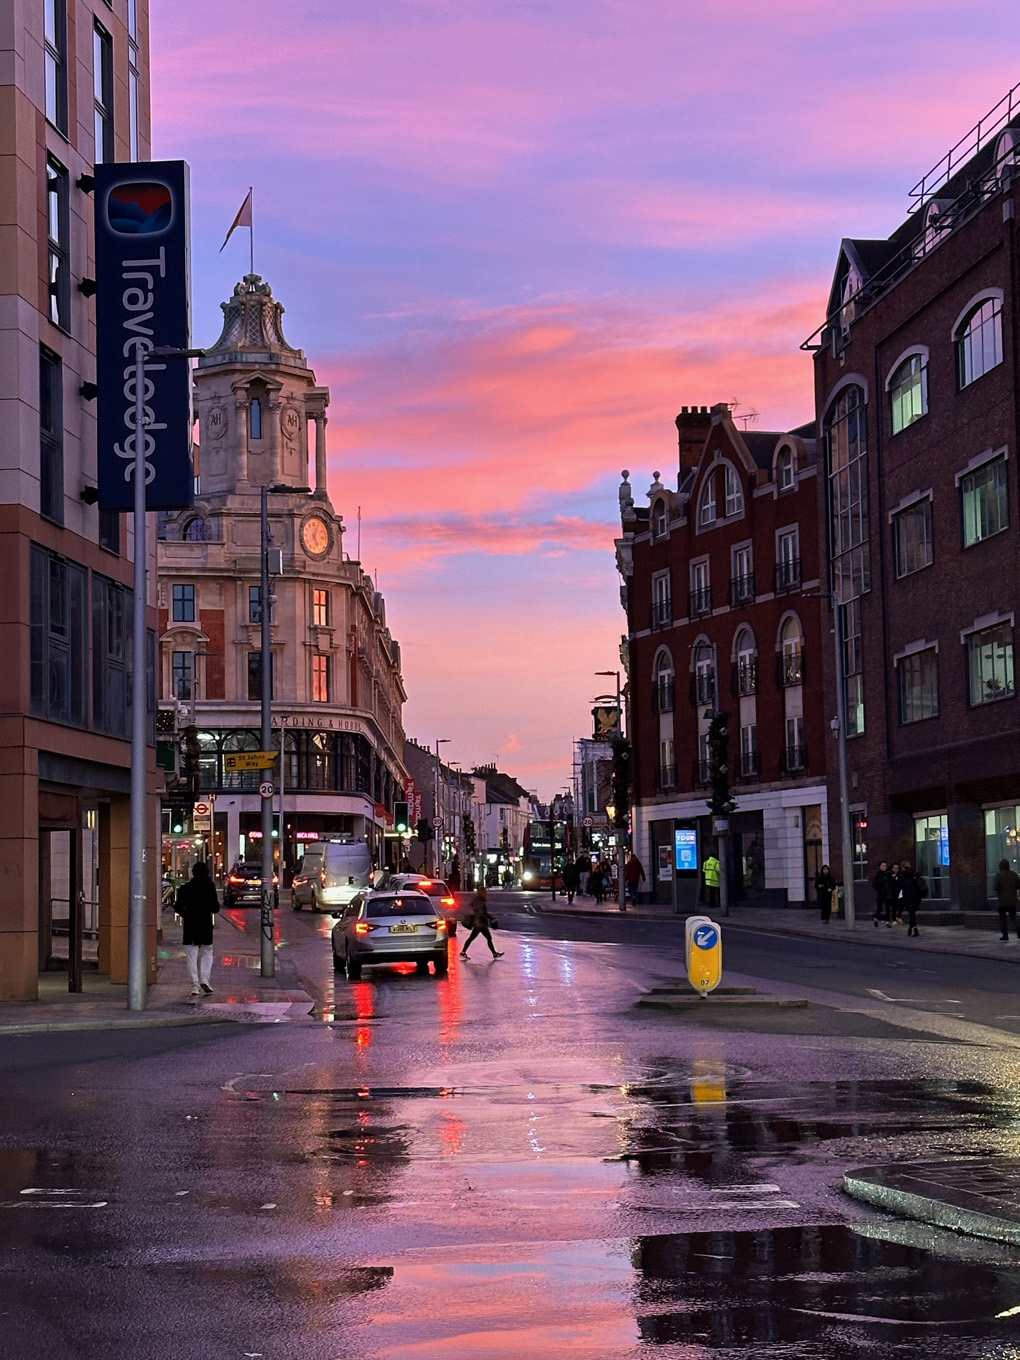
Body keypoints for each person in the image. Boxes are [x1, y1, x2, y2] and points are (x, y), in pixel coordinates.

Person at [174, 860, 220, 996]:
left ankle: (195, 985)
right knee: (207, 952)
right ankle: (205, 979)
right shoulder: (210, 886)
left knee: (191, 955)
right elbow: (215, 908)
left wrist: (186, 913)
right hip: (205, 925)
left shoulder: (185, 888)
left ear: (192, 873)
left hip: (190, 925)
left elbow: (177, 907)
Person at [460, 885, 503, 961]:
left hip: (477, 922)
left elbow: (473, 907)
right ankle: (494, 953)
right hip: (481, 923)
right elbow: (482, 912)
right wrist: (490, 917)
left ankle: (463, 951)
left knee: (471, 938)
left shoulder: (476, 900)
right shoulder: (481, 901)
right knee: (488, 938)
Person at [898, 858, 928, 937]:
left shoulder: (902, 876)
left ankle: (914, 929)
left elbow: (899, 886)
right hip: (916, 896)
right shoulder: (915, 874)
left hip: (908, 896)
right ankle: (911, 929)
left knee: (911, 913)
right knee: (912, 913)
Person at [994, 858, 1020, 941]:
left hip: (1002, 901)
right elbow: (1018, 885)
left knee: (1002, 918)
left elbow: (995, 887)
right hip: (1012, 900)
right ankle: (1019, 930)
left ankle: (1005, 934)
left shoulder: (998, 875)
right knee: (1013, 917)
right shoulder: (1014, 874)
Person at [871, 860, 895, 927]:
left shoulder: (889, 874)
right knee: (880, 908)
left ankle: (887, 921)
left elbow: (891, 882)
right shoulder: (878, 875)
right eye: (883, 866)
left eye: (885, 866)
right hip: (881, 894)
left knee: (888, 908)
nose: (884, 867)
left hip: (887, 894)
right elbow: (874, 884)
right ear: (880, 867)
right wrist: (879, 890)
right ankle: (876, 918)